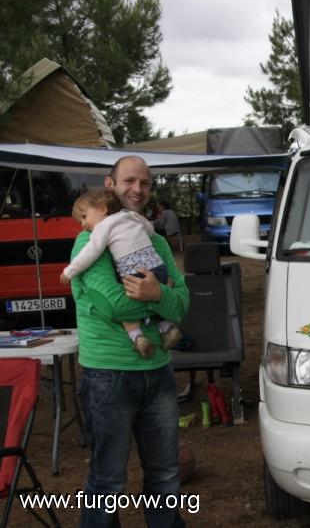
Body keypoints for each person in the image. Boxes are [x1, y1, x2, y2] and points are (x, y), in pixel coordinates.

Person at [69, 155, 189, 527]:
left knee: (165, 474)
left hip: (158, 373)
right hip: (109, 375)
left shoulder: (155, 240)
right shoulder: (89, 241)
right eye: (129, 181)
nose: (138, 189)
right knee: (107, 480)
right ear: (110, 185)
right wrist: (159, 295)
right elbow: (113, 304)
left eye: (145, 183)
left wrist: (160, 294)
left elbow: (183, 303)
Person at [59, 187, 183, 358]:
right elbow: (149, 229)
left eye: (84, 216)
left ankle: (137, 337)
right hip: (158, 268)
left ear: (102, 209)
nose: (83, 225)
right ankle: (167, 328)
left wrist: (70, 271)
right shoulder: (130, 215)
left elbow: (91, 252)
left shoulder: (102, 227)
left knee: (128, 301)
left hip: (135, 273)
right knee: (156, 294)